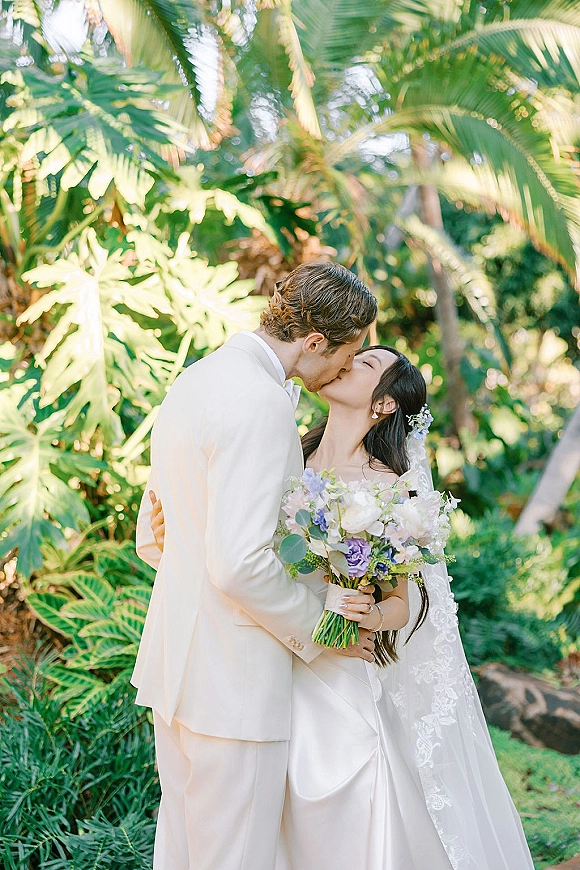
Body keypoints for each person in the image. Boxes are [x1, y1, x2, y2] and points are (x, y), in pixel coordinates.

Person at [151, 345, 535, 870]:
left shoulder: (388, 487)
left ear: (384, 405)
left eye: (368, 363)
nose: (351, 360)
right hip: (265, 659)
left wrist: (365, 619)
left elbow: (400, 603)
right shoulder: (288, 451)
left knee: (345, 809)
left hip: (335, 671)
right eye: (353, 353)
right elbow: (240, 549)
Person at [132, 262, 379, 870]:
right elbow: (239, 564)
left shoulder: (195, 379)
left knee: (185, 851)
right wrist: (327, 627)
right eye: (347, 354)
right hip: (234, 682)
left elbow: (153, 531)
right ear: (315, 341)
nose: (346, 369)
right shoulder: (262, 400)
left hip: (177, 669)